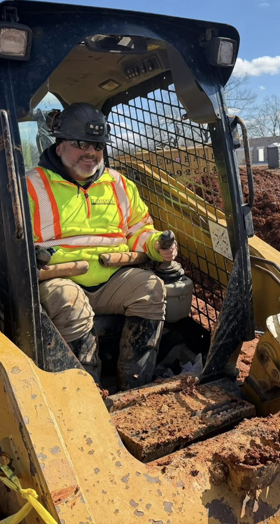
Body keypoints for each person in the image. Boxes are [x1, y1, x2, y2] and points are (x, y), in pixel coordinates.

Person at [27, 102, 177, 390]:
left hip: (112, 277)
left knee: (151, 287)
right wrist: (27, 256)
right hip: (58, 279)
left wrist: (158, 244)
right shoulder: (29, 187)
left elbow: (139, 230)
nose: (91, 152)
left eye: (97, 145)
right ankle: (88, 394)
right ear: (59, 146)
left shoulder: (120, 185)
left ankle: (135, 386)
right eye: (81, 143)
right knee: (68, 301)